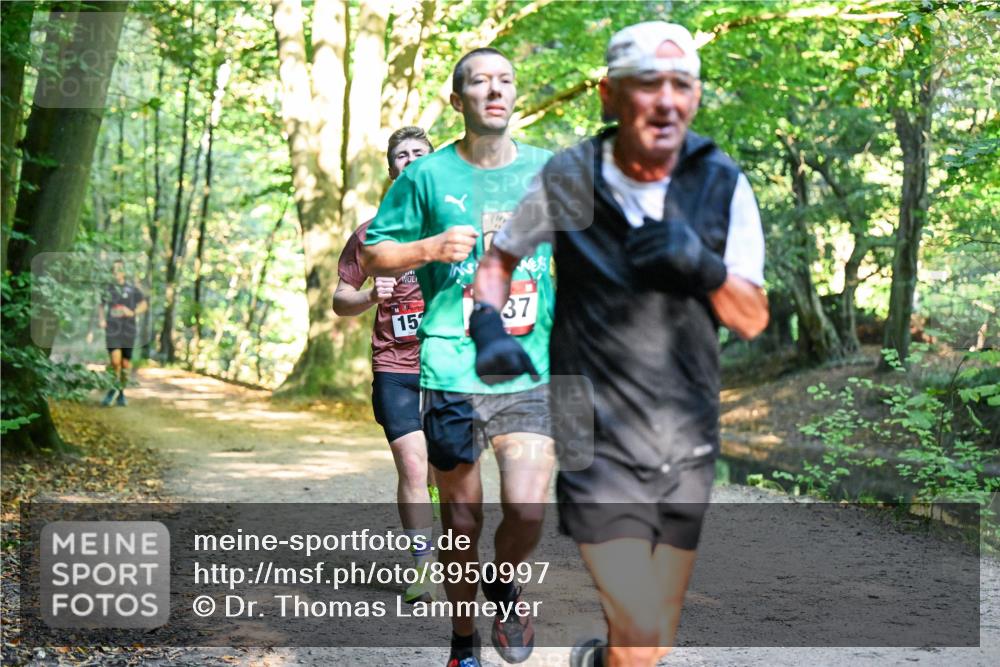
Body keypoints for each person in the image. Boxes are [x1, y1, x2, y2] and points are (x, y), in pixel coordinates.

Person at [471, 22, 769, 667]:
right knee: (637, 629)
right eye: (647, 83)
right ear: (609, 95)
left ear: (695, 97)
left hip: (686, 427)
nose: (666, 100)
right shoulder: (571, 178)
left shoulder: (720, 184)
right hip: (591, 424)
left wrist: (704, 267)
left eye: (682, 85)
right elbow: (500, 260)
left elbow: (751, 319)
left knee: (649, 642)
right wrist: (488, 327)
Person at [363, 48, 556, 667]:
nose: (494, 90)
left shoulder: (550, 172)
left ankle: (503, 581)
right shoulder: (426, 177)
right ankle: (462, 642)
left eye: (504, 81)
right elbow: (373, 255)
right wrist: (428, 246)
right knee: (463, 522)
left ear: (515, 95)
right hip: (449, 365)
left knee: (527, 509)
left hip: (530, 366)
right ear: (458, 100)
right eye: (479, 82)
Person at [333, 125, 438, 606]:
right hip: (394, 364)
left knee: (441, 470)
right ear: (391, 167)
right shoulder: (370, 233)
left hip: (447, 364)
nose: (410, 160)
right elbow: (340, 299)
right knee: (413, 467)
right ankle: (423, 565)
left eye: (419, 153)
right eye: (401, 155)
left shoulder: (455, 226)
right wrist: (369, 295)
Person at [98, 259, 147, 407]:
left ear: (124, 272)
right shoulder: (108, 288)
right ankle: (113, 389)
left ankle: (121, 393)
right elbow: (101, 305)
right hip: (112, 329)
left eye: (119, 269)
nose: (116, 272)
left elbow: (144, 304)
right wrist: (102, 320)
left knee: (125, 364)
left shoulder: (132, 289)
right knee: (115, 361)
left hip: (128, 330)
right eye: (114, 270)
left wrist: (132, 312)